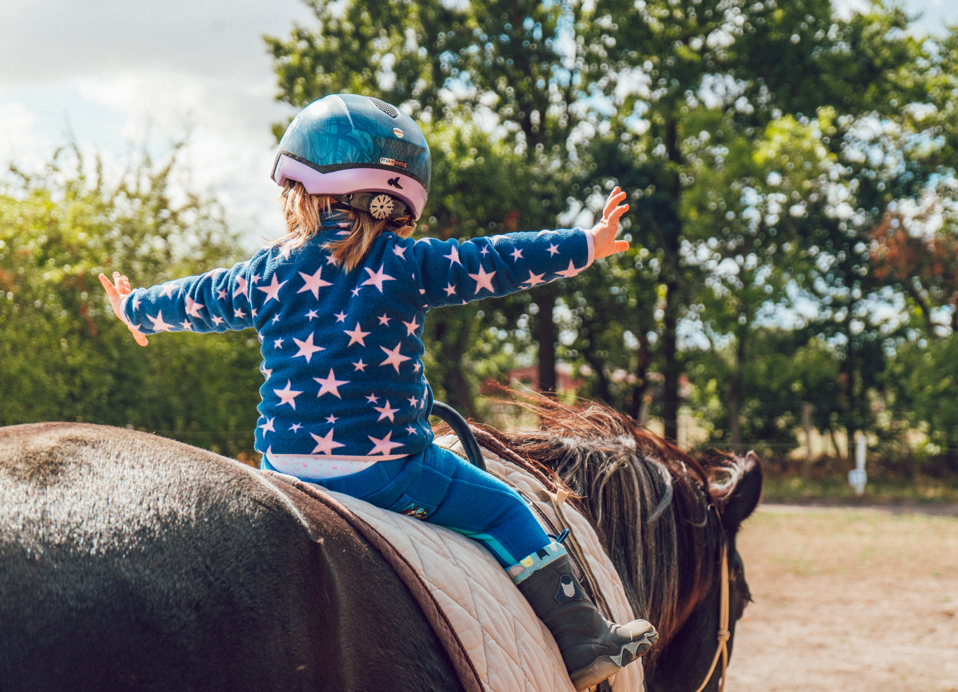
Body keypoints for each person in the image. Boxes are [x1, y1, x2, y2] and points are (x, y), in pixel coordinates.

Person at [99, 93, 657, 691]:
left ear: (300, 191)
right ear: (399, 202)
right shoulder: (408, 263)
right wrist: (587, 245)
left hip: (283, 470)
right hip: (387, 470)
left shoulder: (266, 269)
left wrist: (135, 308)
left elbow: (200, 298)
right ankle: (583, 640)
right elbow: (497, 259)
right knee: (504, 509)